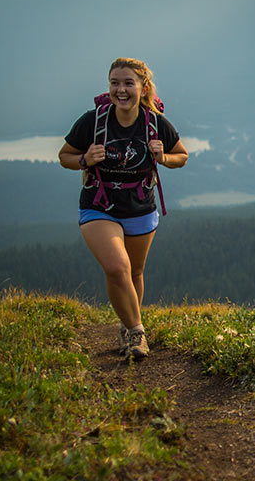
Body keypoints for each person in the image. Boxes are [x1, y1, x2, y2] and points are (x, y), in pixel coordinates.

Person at [58, 57, 188, 360]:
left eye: (128, 83)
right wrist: (84, 160)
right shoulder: (93, 121)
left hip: (140, 206)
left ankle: (127, 325)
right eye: (115, 83)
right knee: (117, 267)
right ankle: (136, 332)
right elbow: (65, 155)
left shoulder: (155, 123)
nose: (121, 90)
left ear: (143, 88)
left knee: (134, 272)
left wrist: (163, 157)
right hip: (99, 206)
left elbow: (182, 155)